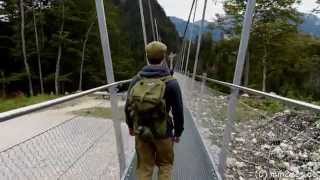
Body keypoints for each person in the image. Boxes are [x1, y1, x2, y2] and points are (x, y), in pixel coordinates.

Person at [125, 41, 184, 180]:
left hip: (141, 130)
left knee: (144, 167)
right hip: (164, 132)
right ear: (163, 57)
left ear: (147, 57)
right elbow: (178, 111)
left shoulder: (136, 80)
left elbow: (128, 106)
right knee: (165, 165)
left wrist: (130, 126)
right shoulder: (171, 83)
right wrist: (178, 132)